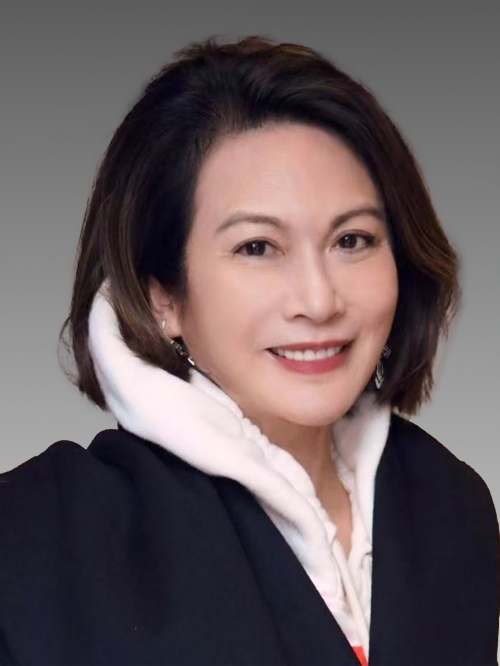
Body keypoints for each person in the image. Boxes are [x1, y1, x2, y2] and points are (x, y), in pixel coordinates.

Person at [0, 35, 498, 666]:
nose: (318, 300)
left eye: (353, 240)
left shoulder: (453, 506)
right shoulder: (38, 535)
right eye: (257, 248)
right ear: (162, 296)